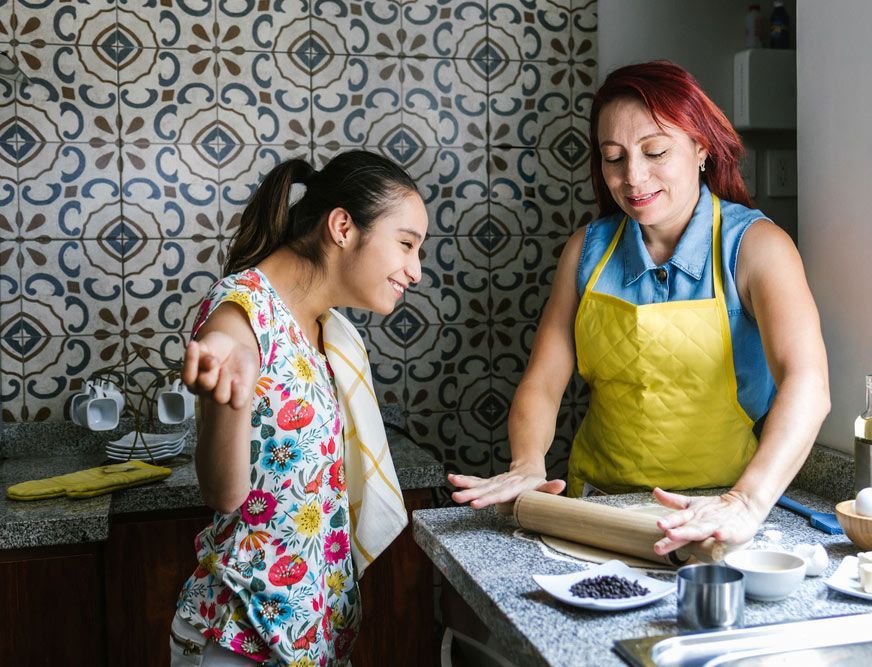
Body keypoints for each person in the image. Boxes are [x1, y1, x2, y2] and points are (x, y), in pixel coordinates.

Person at [449, 61, 830, 557]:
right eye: (613, 157)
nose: (633, 177)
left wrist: (745, 501)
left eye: (655, 152)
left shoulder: (757, 248)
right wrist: (527, 463)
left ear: (700, 148)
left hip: (716, 515)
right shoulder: (586, 251)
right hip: (599, 513)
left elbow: (809, 383)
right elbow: (543, 382)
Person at [170, 150, 427, 666]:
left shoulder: (322, 326)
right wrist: (229, 390)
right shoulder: (240, 311)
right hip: (245, 636)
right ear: (342, 227)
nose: (415, 271)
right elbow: (225, 493)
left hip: (312, 635)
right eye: (406, 244)